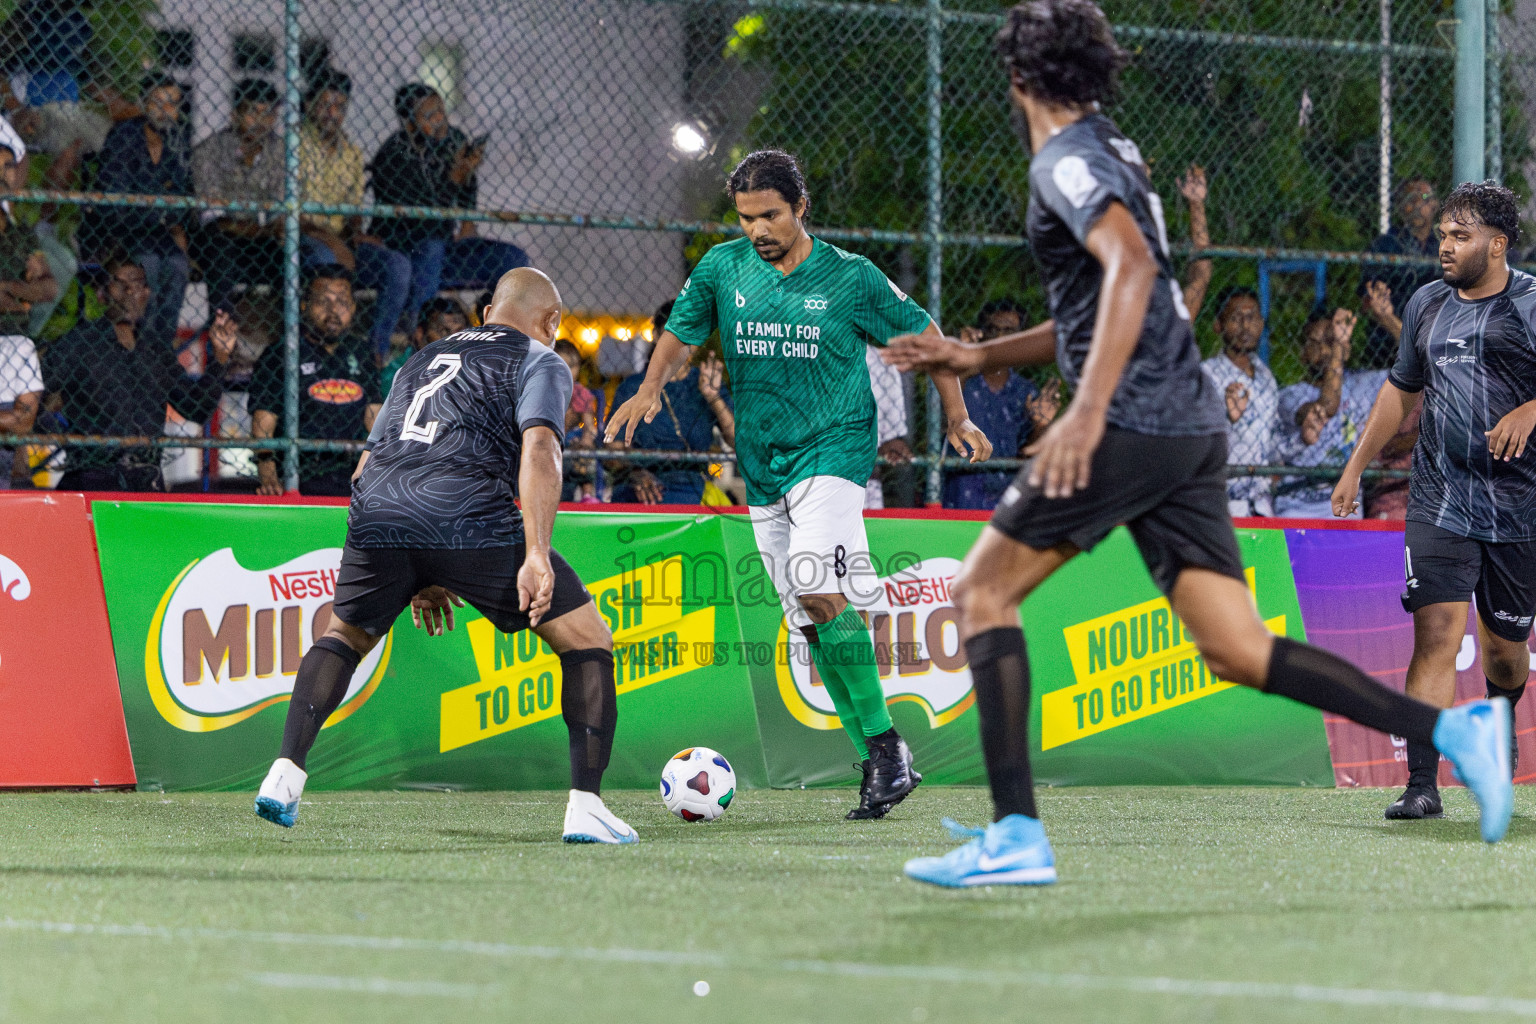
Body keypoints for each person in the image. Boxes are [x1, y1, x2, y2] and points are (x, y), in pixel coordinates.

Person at [883, 0, 1513, 887]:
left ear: (1019, 77)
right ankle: (1452, 730)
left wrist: (1088, 413)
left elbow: (1133, 276)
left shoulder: (1063, 160)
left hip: (1135, 419)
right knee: (1237, 648)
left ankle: (1017, 835)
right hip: (1184, 425)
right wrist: (976, 354)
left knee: (983, 590)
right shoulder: (1115, 151)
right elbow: (1107, 305)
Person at [606, 149, 992, 820]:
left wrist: (956, 413)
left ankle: (888, 753)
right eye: (747, 217)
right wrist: (646, 389)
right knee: (808, 619)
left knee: (818, 587)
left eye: (771, 215)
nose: (758, 229)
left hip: (835, 452)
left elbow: (927, 337)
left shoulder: (850, 278)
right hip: (762, 466)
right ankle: (880, 753)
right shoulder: (724, 270)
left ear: (801, 207)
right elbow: (680, 335)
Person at [255, 267, 637, 845]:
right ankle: (587, 808)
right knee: (587, 639)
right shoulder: (541, 361)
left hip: (377, 503)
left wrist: (421, 569)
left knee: (344, 637)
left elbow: (366, 460)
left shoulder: (421, 360)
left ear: (487, 314)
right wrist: (536, 553)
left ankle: (284, 773)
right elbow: (540, 449)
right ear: (552, 322)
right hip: (465, 510)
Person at [1333, 180, 1535, 820]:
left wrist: (1532, 409)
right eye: (1443, 234)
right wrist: (1355, 467)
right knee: (1437, 636)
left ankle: (1498, 751)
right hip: (1439, 500)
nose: (1444, 246)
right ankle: (1422, 785)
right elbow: (1399, 391)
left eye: (1460, 236)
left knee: (1504, 652)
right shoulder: (1425, 305)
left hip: (1518, 508)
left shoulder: (1532, 303)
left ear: (1497, 245)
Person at [41, 251, 235, 490]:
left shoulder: (155, 350)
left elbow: (196, 408)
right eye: (121, 284)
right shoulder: (78, 344)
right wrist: (70, 440)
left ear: (147, 292)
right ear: (102, 294)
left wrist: (219, 359)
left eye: (138, 284)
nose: (131, 292)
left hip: (146, 479)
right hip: (92, 477)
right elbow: (35, 403)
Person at [369, 83, 527, 328]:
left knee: (512, 258)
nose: (440, 119)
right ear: (409, 123)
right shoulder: (394, 154)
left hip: (447, 248)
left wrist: (467, 222)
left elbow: (467, 187)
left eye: (441, 110)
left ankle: (499, 333)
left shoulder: (454, 140)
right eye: (430, 115)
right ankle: (418, 336)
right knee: (431, 247)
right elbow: (421, 218)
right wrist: (454, 178)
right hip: (407, 248)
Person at [299, 69, 414, 364]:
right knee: (324, 255)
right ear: (310, 104)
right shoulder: (294, 145)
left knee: (397, 266)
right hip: (303, 238)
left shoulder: (351, 152)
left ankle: (376, 350)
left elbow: (353, 211)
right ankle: (317, 347)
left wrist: (353, 237)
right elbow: (293, 215)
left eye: (340, 107)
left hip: (341, 242)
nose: (333, 113)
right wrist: (336, 243)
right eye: (325, 105)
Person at [80, 72, 191, 350]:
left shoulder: (177, 141)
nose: (167, 111)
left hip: (156, 229)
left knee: (178, 265)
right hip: (119, 230)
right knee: (149, 263)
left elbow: (178, 195)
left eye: (173, 104)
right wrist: (158, 205)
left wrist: (172, 223)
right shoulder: (124, 134)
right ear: (143, 103)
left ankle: (160, 348)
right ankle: (142, 344)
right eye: (159, 102)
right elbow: (115, 199)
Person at [249, 266, 381, 496]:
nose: (333, 311)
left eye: (342, 302)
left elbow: (376, 423)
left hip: (351, 472)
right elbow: (263, 426)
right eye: (323, 302)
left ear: (353, 307)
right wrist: (270, 478)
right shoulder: (281, 353)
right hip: (298, 474)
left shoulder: (361, 352)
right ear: (304, 305)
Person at [607, 300, 734, 505]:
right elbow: (612, 450)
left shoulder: (705, 383)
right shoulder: (633, 387)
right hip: (640, 487)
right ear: (656, 336)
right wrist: (635, 472)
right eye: (671, 335)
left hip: (691, 487)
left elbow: (738, 441)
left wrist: (714, 398)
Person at [943, 298, 1056, 510]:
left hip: (1008, 495)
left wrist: (1041, 426)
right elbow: (942, 419)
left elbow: (1027, 455)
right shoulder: (964, 381)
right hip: (964, 491)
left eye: (1010, 331)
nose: (1001, 337)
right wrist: (966, 360)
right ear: (982, 332)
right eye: (994, 329)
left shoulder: (1026, 392)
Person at [191, 79, 284, 316]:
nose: (261, 122)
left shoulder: (281, 152)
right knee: (220, 248)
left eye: (268, 114)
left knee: (293, 254)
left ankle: (288, 342)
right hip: (220, 238)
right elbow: (216, 218)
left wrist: (275, 226)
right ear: (234, 115)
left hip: (262, 238)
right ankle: (222, 340)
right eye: (253, 112)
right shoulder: (209, 151)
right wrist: (264, 227)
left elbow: (281, 209)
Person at [1273, 307, 1371, 519]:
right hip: (1298, 507)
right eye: (1318, 343)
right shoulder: (1290, 395)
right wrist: (1338, 345)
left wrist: (1384, 316)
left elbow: (1420, 363)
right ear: (1303, 353)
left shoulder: (1360, 385)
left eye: (1331, 341)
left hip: (1347, 507)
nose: (1326, 350)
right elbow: (1328, 406)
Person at [1200, 287, 1279, 517]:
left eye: (1252, 317)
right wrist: (1228, 420)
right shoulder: (1207, 375)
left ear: (1262, 324)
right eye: (1235, 318)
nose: (1245, 325)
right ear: (1218, 325)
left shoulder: (1266, 378)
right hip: (1222, 506)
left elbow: (1273, 441)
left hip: (1262, 507)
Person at [1360, 178, 1441, 368]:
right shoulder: (1386, 244)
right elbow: (1367, 300)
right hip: (1387, 349)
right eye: (1409, 199)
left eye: (1423, 197)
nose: (1417, 204)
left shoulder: (1442, 245)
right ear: (1400, 207)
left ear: (1435, 205)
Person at [383, 295, 468, 395]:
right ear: (420, 333)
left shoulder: (473, 366)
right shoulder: (397, 372)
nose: (454, 339)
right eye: (443, 331)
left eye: (459, 331)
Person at [554, 339, 599, 502]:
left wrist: (586, 440)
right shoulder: (546, 388)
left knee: (585, 452)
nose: (568, 371)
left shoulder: (579, 392)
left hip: (570, 441)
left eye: (573, 366)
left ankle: (587, 493)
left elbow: (588, 424)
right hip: (551, 438)